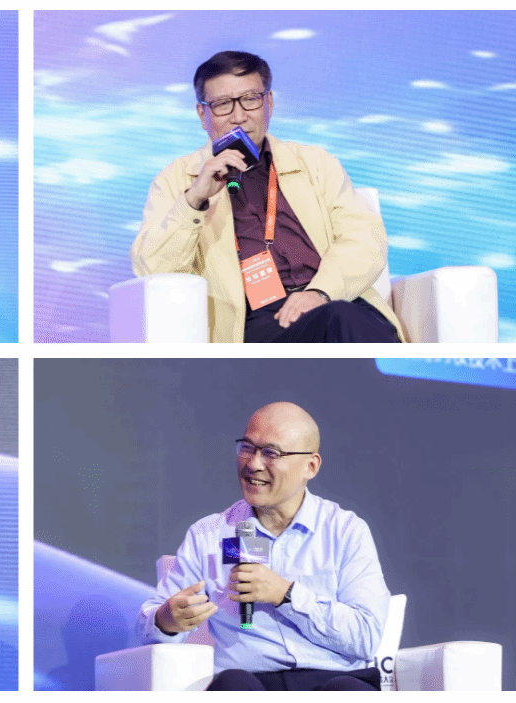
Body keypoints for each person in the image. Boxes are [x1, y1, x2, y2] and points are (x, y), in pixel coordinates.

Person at [130, 51, 403, 343]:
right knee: (344, 325)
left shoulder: (316, 163)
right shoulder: (175, 181)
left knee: (343, 318)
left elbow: (364, 239)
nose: (239, 116)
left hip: (335, 298)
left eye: (250, 99)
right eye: (223, 104)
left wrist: (320, 292)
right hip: (259, 322)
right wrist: (194, 200)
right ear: (202, 114)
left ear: (269, 103)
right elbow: (154, 271)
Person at [137, 402, 390, 691]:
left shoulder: (344, 531)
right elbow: (148, 629)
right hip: (250, 684)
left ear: (310, 466)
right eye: (247, 448)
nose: (253, 464)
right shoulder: (209, 535)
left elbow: (366, 636)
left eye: (271, 453)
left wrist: (285, 594)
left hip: (332, 681)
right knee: (232, 685)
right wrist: (167, 619)